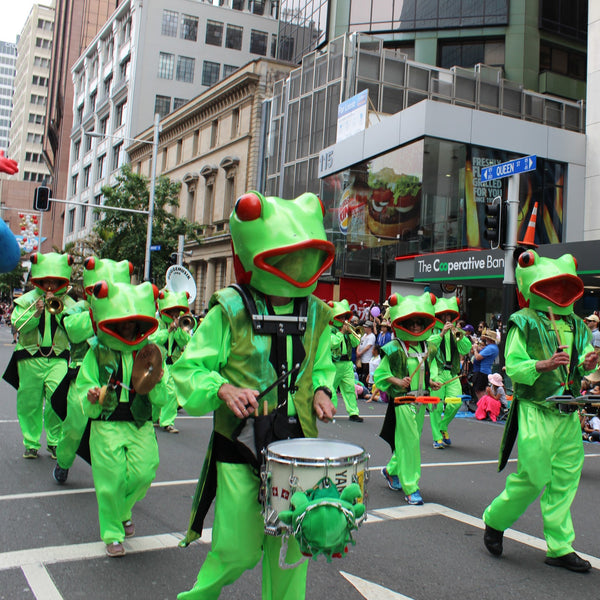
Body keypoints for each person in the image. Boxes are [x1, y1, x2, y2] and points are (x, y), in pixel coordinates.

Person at [171, 191, 336, 600]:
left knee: (295, 547)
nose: (297, 267)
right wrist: (222, 388)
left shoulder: (317, 313)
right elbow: (188, 370)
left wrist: (320, 390)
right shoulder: (229, 309)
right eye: (285, 258)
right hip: (241, 444)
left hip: (298, 446)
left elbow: (323, 365)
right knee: (237, 550)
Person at [483, 250, 598, 573]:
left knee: (566, 477)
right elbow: (514, 367)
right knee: (533, 475)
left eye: (563, 286)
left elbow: (585, 361)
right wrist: (543, 364)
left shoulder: (578, 325)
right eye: (552, 286)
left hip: (567, 412)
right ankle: (495, 519)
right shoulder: (524, 321)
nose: (558, 293)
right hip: (535, 408)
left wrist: (588, 362)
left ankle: (560, 545)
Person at [76, 280, 167, 557]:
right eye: (122, 324)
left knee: (144, 471)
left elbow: (162, 398)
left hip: (139, 422)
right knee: (112, 479)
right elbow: (85, 385)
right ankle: (113, 532)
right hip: (107, 423)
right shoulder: (97, 351)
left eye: (132, 324)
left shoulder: (150, 352)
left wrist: (160, 381)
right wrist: (91, 395)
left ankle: (123, 510)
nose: (127, 328)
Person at [52, 257, 133, 484]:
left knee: (122, 426)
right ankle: (64, 461)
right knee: (74, 427)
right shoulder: (78, 308)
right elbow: (74, 332)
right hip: (81, 375)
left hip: (117, 377)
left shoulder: (126, 310)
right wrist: (100, 313)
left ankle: (120, 473)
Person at [2, 252, 76, 459]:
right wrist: (35, 314)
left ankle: (54, 442)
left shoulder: (69, 303)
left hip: (57, 359)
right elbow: (17, 326)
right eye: (46, 281)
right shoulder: (26, 300)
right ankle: (31, 443)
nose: (50, 285)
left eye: (55, 281)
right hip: (29, 358)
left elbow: (74, 330)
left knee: (57, 398)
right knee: (29, 402)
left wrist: (57, 310)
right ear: (39, 280)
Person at [377, 291, 438, 505]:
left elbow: (425, 371)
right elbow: (380, 375)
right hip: (402, 402)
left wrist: (431, 382)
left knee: (408, 442)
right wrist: (397, 381)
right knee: (410, 442)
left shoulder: (427, 347)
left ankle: (391, 470)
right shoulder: (394, 348)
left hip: (421, 401)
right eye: (410, 323)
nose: (414, 327)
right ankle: (411, 486)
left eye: (418, 323)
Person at [428, 296, 472, 448]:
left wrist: (457, 333)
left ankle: (442, 426)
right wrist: (441, 334)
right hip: (437, 372)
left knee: (455, 402)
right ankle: (436, 436)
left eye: (449, 316)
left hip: (452, 373)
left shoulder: (456, 331)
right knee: (437, 406)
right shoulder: (431, 331)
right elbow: (430, 348)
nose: (447, 319)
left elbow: (466, 349)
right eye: (444, 315)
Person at [149, 289, 195, 433]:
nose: (175, 315)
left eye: (178, 312)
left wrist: (181, 329)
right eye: (172, 311)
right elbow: (152, 339)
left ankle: (167, 422)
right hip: (159, 361)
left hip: (173, 364)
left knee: (171, 392)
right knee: (157, 389)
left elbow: (185, 342)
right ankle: (154, 417)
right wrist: (168, 330)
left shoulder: (179, 327)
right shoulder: (158, 323)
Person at [328, 299, 363, 422]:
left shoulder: (347, 331)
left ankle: (353, 413)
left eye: (345, 317)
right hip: (334, 363)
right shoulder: (330, 329)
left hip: (347, 363)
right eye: (341, 317)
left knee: (349, 389)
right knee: (330, 389)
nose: (344, 320)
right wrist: (341, 333)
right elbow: (333, 344)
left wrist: (350, 333)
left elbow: (356, 343)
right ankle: (330, 411)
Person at [471, 328, 499, 404]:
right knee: (479, 390)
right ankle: (483, 406)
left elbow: (478, 357)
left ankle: (483, 407)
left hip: (482, 371)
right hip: (482, 370)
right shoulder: (492, 347)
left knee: (480, 391)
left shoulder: (491, 348)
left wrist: (475, 349)